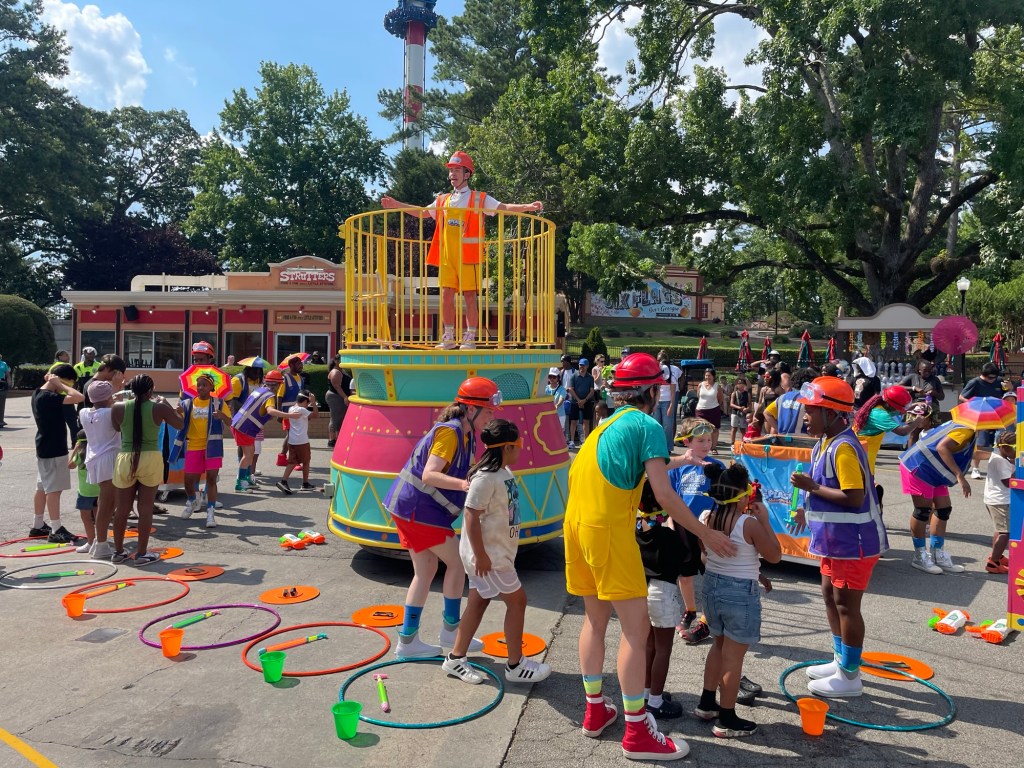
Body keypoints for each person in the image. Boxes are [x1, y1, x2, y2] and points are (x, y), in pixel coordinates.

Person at [564, 352, 735, 762]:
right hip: (608, 531)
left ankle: (594, 712)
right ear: (657, 389)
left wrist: (685, 459)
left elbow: (644, 467)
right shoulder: (649, 424)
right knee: (636, 633)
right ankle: (637, 732)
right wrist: (705, 532)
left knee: (595, 621)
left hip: (576, 526)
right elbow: (662, 493)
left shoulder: (605, 426)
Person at [383, 377, 502, 659]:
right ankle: (450, 631)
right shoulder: (450, 433)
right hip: (418, 510)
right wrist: (465, 485)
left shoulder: (467, 433)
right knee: (458, 563)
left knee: (424, 572)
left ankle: (409, 642)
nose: (491, 417)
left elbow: (464, 467)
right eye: (488, 412)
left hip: (412, 508)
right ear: (471, 409)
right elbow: (430, 474)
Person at [381, 151, 543, 350]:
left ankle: (470, 337)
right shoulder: (442, 200)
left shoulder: (479, 198)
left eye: (457, 170)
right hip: (448, 257)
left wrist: (528, 206)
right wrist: (397, 205)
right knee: (446, 295)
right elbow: (423, 213)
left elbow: (503, 207)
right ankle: (448, 336)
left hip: (469, 257)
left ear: (467, 174)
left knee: (469, 297)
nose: (452, 174)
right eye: (451, 170)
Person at [789, 376, 886, 698]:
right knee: (830, 597)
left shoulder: (843, 447)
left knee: (846, 605)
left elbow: (854, 496)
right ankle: (840, 659)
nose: (806, 416)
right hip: (834, 541)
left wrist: (812, 488)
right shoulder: (824, 443)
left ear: (831, 413)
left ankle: (850, 675)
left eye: (812, 411)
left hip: (853, 543)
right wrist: (807, 507)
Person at [441, 419, 552, 685]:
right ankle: (515, 665)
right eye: (519, 445)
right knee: (518, 601)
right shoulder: (485, 478)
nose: (521, 450)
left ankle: (455, 659)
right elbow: (470, 516)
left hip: (496, 553)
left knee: (478, 602)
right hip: (490, 559)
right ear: (507, 447)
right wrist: (480, 555)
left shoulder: (502, 472)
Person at [694, 462, 781, 736]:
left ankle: (707, 703)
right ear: (743, 495)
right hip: (739, 595)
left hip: (711, 588)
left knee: (718, 647)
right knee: (733, 659)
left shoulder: (707, 518)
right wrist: (764, 519)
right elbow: (775, 555)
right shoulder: (749, 523)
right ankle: (727, 718)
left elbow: (705, 555)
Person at [110, 375, 184, 565]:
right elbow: (179, 424)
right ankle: (141, 553)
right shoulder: (158, 407)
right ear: (151, 391)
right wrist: (166, 404)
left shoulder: (118, 407)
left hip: (126, 458)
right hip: (150, 458)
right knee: (145, 509)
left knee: (122, 509)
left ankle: (118, 551)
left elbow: (116, 428)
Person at [667, 418, 723, 646]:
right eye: (700, 440)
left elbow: (724, 498)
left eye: (709, 440)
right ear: (687, 442)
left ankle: (705, 621)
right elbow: (669, 496)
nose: (706, 444)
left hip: (707, 529)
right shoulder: (678, 466)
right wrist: (670, 518)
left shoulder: (717, 466)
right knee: (686, 575)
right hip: (682, 525)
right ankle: (690, 610)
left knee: (711, 577)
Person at [31, 365, 84, 543]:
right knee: (54, 490)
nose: (71, 387)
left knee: (42, 487)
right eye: (70, 382)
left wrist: (57, 383)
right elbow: (79, 397)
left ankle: (38, 524)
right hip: (54, 448)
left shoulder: (38, 393)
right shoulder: (50, 397)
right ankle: (56, 529)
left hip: (44, 446)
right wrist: (60, 385)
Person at [171, 373, 232, 528]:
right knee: (188, 480)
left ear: (212, 387)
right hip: (194, 446)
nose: (201, 388)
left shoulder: (218, 403)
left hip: (213, 445)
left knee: (211, 479)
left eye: (204, 385)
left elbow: (231, 422)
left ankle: (210, 512)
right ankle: (192, 501)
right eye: (199, 385)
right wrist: (177, 413)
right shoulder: (187, 403)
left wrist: (222, 416)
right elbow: (178, 423)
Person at [78, 380, 121, 559]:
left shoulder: (84, 412)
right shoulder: (110, 412)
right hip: (108, 458)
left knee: (106, 502)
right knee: (106, 504)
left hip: (94, 459)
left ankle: (99, 540)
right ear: (108, 397)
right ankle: (101, 544)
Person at [852, 386, 929, 475]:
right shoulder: (879, 415)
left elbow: (899, 411)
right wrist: (919, 419)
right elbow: (902, 431)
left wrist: (914, 405)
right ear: (891, 405)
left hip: (865, 454)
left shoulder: (882, 407)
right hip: (860, 458)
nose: (902, 410)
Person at [231, 369, 283, 492]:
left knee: (250, 452)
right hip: (245, 427)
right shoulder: (270, 396)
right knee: (248, 455)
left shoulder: (260, 390)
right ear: (278, 385)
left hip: (242, 425)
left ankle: (248, 479)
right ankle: (241, 484)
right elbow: (270, 411)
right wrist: (289, 415)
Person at [960, 362, 1006, 478]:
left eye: (994, 377)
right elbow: (961, 397)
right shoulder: (975, 382)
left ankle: (999, 467)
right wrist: (976, 403)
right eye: (989, 377)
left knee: (1001, 440)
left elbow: (1006, 394)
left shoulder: (999, 381)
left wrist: (1009, 387)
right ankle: (976, 468)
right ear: (983, 375)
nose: (992, 380)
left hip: (997, 414)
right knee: (980, 442)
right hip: (981, 415)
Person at [269, 391, 318, 494]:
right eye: (307, 403)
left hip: (292, 440)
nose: (308, 405)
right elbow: (315, 415)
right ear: (304, 401)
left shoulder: (291, 408)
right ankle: (305, 483)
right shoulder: (302, 409)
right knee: (306, 461)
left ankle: (284, 481)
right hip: (302, 441)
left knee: (292, 462)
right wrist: (313, 403)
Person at [983, 429, 1014, 575]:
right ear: (1005, 448)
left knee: (999, 529)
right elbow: (1008, 482)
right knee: (1005, 532)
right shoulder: (1001, 462)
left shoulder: (996, 456)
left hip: (994, 499)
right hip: (1000, 501)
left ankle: (998, 556)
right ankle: (993, 562)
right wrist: (1016, 468)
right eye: (1015, 449)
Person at [899, 359, 945, 445]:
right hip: (915, 407)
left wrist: (935, 393)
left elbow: (942, 397)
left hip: (932, 408)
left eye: (929, 370)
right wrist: (914, 388)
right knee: (913, 433)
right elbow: (898, 386)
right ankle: (910, 456)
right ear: (919, 370)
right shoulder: (913, 377)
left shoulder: (935, 380)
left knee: (933, 433)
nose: (928, 372)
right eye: (925, 371)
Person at [68, 431, 99, 553]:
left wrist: (75, 450)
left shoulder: (80, 455)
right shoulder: (96, 453)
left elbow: (70, 465)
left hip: (85, 492)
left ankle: (91, 541)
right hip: (99, 491)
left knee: (86, 517)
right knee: (99, 517)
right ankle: (100, 540)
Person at [763, 367, 818, 436]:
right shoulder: (809, 399)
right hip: (803, 441)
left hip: (783, 441)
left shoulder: (782, 398)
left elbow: (766, 413)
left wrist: (778, 430)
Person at [275, 354, 305, 464]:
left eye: (301, 364)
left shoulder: (301, 378)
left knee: (291, 435)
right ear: (291, 365)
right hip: (288, 412)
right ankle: (294, 460)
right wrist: (279, 414)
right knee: (293, 435)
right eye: (298, 364)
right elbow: (279, 396)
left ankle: (282, 457)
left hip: (298, 412)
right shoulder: (285, 378)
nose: (301, 366)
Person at [567, 358, 597, 449]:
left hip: (587, 402)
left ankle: (585, 441)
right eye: (580, 365)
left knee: (586, 421)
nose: (581, 367)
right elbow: (571, 389)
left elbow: (592, 391)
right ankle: (572, 441)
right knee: (573, 421)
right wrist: (579, 400)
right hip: (575, 401)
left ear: (587, 366)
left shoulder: (590, 377)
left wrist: (584, 400)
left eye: (583, 365)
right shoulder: (574, 376)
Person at [326, 356, 353, 448]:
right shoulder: (335, 372)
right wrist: (345, 397)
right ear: (337, 361)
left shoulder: (341, 370)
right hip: (336, 397)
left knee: (335, 418)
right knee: (337, 419)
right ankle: (334, 440)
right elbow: (337, 386)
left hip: (339, 396)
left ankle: (333, 439)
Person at [654, 352, 678, 453]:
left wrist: (671, 406)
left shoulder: (671, 376)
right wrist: (654, 403)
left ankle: (668, 448)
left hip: (667, 402)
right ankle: (657, 447)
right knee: (657, 425)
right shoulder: (656, 375)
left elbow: (673, 393)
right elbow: (657, 391)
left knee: (667, 426)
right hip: (658, 402)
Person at [728, 376, 751, 445]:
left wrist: (747, 409)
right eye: (739, 384)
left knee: (743, 429)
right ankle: (732, 443)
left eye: (742, 384)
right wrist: (739, 408)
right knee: (734, 428)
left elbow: (750, 404)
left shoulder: (747, 394)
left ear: (745, 385)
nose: (740, 385)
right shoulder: (734, 393)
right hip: (735, 412)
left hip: (743, 413)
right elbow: (731, 404)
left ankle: (743, 442)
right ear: (737, 385)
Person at [545, 367, 567, 436]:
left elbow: (561, 399)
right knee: (549, 432)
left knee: (559, 433)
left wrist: (557, 405)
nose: (551, 379)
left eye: (554, 377)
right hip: (548, 414)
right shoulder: (545, 388)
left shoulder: (562, 389)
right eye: (550, 377)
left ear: (558, 378)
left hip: (560, 415)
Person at [0, 352, 10, 428]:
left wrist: (9, 382)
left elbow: (7, 374)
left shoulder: (3, 364)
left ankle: (1, 420)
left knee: (1, 403)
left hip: (2, 383)